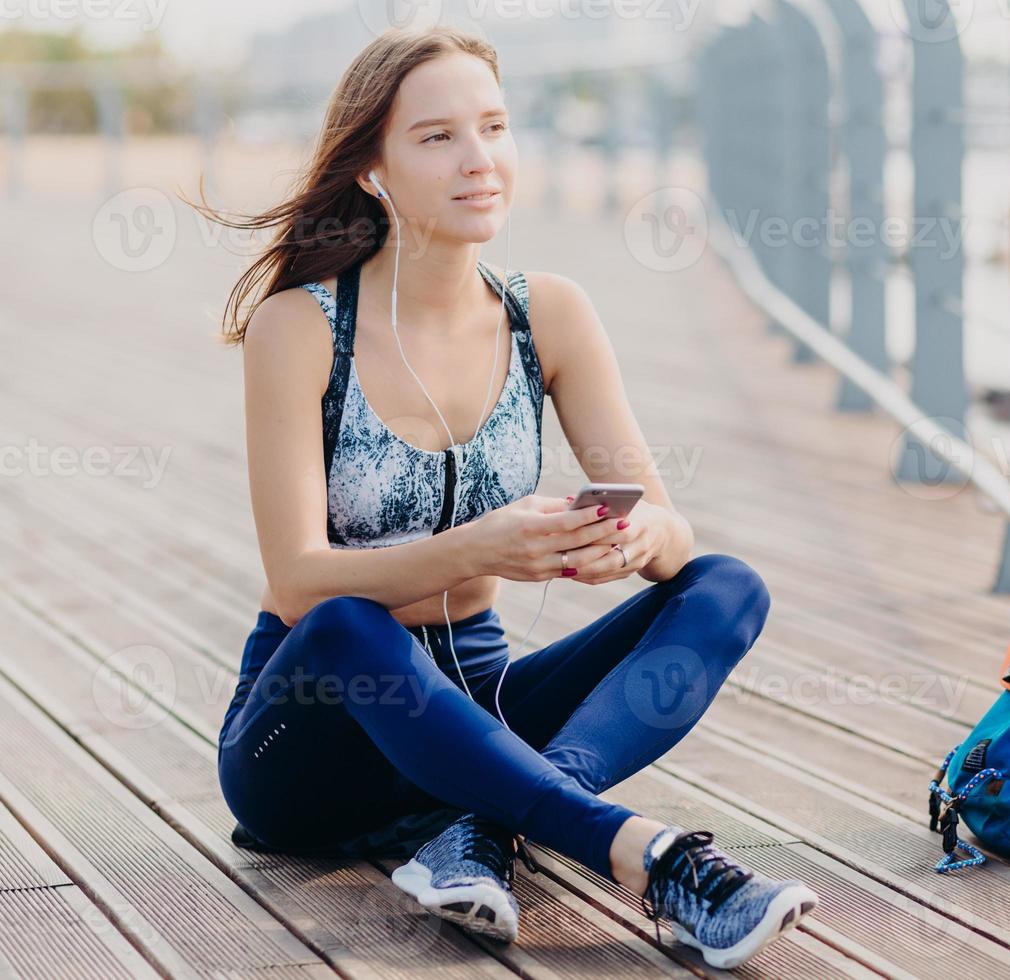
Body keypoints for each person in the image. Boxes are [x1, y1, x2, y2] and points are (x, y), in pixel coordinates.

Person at [193, 24, 818, 970]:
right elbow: (295, 584)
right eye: (437, 137)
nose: (479, 160)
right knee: (349, 623)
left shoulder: (548, 314)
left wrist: (638, 532)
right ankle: (644, 856)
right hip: (314, 746)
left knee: (728, 585)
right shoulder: (301, 326)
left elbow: (672, 540)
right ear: (372, 168)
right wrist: (481, 549)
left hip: (480, 716)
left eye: (494, 126)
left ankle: (486, 820)